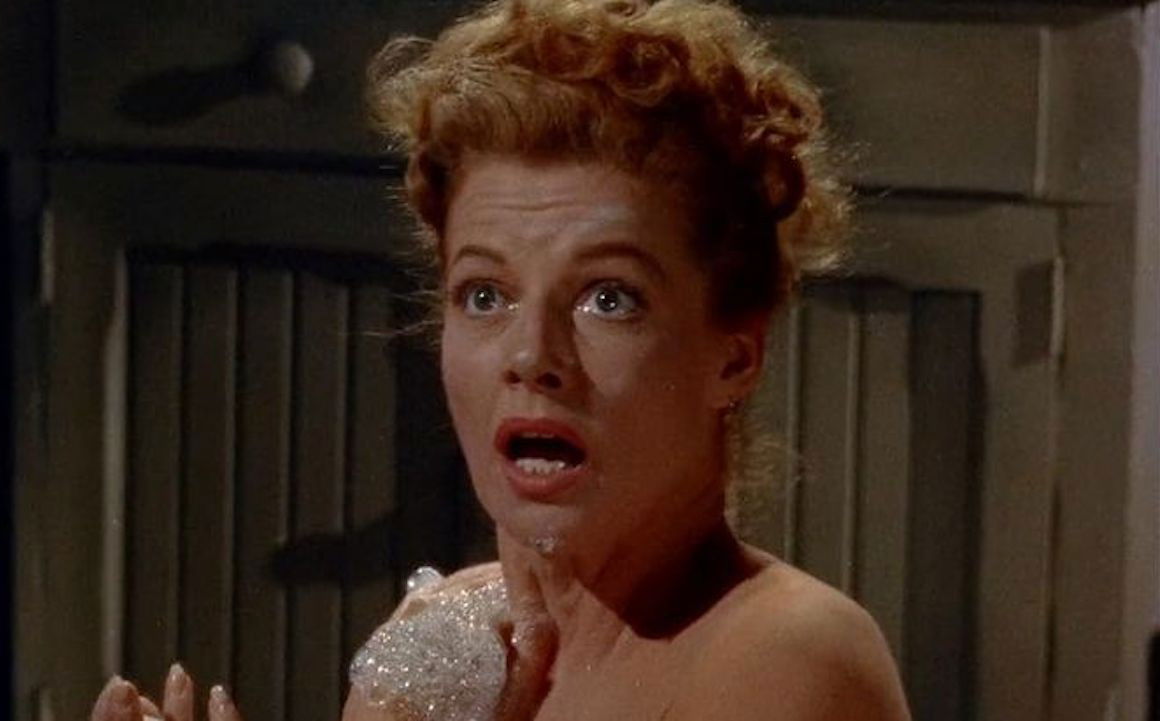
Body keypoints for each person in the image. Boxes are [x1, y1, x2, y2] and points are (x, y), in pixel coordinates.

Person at [93, 0, 911, 718]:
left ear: (734, 356)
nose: (531, 355)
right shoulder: (436, 645)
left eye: (609, 298)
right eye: (485, 294)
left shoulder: (791, 655)